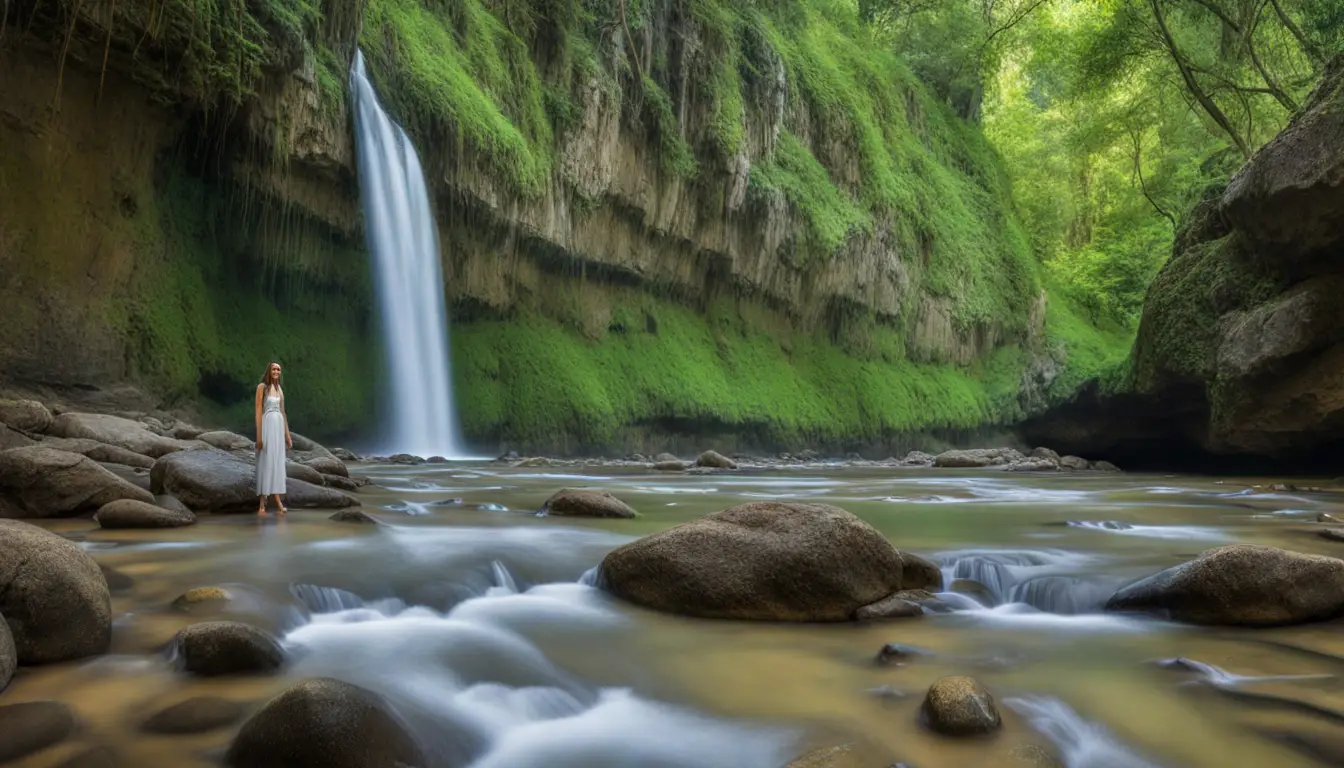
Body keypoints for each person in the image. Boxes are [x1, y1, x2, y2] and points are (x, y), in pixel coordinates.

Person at [254, 361, 293, 516]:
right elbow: (258, 410)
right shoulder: (262, 387)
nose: (277, 371)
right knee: (266, 460)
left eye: (279, 369)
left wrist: (287, 435)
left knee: (277, 462)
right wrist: (259, 436)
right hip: (267, 424)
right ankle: (262, 504)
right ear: (269, 371)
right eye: (274, 369)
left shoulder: (280, 390)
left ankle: (277, 501)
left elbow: (283, 413)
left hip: (278, 427)